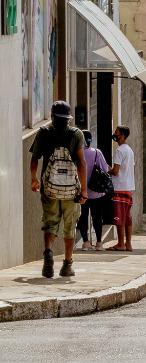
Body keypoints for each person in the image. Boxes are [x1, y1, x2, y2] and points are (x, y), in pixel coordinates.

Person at [29, 100, 88, 279]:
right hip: (71, 191)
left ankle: (48, 252)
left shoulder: (44, 132)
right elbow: (82, 163)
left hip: (49, 189)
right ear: (68, 118)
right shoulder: (76, 134)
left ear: (53, 116)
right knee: (70, 227)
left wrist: (33, 180)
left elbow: (35, 159)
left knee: (50, 223)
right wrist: (83, 190)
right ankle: (67, 264)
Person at [76, 132, 113, 251]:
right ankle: (99, 243)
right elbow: (105, 169)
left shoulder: (76, 152)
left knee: (83, 217)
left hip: (81, 191)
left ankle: (85, 242)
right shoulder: (97, 152)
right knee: (97, 217)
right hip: (95, 192)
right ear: (90, 140)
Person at [109, 125, 136, 252]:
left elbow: (115, 171)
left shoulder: (119, 151)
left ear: (123, 135)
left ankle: (120, 244)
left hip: (119, 187)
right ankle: (128, 244)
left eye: (117, 133)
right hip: (129, 187)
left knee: (119, 217)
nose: (114, 134)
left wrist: (106, 169)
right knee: (127, 217)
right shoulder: (129, 150)